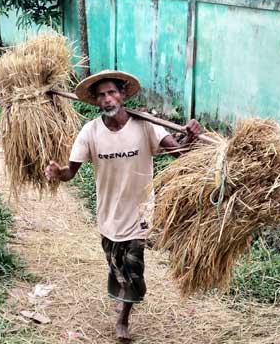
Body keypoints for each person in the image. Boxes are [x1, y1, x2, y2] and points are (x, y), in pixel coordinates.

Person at [44, 70, 202, 341]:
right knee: (116, 264)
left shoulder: (146, 126)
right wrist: (58, 173)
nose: (107, 99)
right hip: (108, 213)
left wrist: (191, 136)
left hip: (139, 212)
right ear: (96, 101)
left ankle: (122, 320)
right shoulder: (90, 132)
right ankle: (121, 293)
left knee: (133, 264)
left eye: (112, 92)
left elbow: (180, 154)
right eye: (102, 95)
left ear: (123, 94)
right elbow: (71, 171)